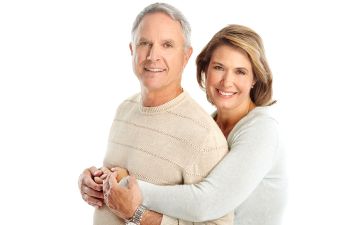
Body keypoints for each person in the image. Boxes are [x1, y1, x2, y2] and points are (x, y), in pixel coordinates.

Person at [102, 24, 288, 225]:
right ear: (205, 70)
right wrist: (98, 180)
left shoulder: (262, 130)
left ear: (255, 79)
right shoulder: (208, 127)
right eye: (219, 68)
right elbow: (170, 185)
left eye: (240, 72)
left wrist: (127, 187)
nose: (227, 82)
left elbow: (207, 203)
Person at [78, 3, 234, 225]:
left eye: (167, 45)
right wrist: (92, 185)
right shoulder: (124, 109)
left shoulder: (204, 137)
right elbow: (121, 183)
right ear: (132, 50)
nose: (153, 55)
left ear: (186, 56)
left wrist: (137, 214)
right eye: (144, 43)